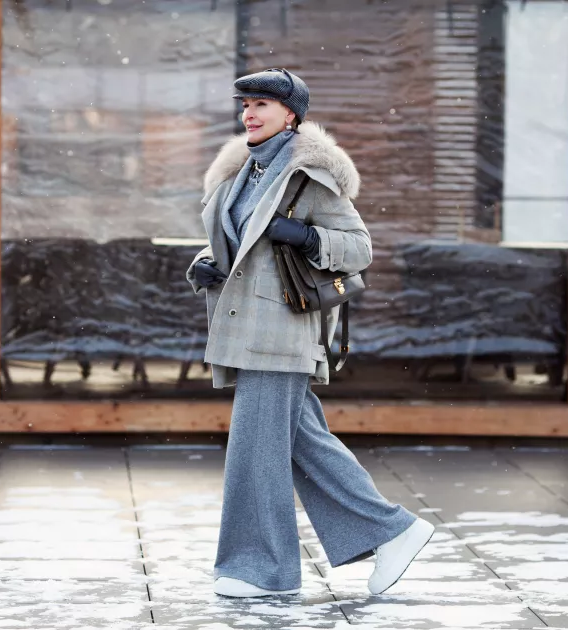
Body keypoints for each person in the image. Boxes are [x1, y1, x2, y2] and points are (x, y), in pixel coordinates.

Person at [186, 68, 434, 598]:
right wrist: (206, 262)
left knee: (255, 451)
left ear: (291, 115)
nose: (249, 113)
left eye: (261, 104)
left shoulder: (308, 176)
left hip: (284, 328)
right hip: (246, 327)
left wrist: (305, 236)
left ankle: (263, 572)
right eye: (246, 104)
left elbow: (359, 249)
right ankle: (391, 531)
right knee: (303, 442)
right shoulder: (241, 174)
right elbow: (239, 243)